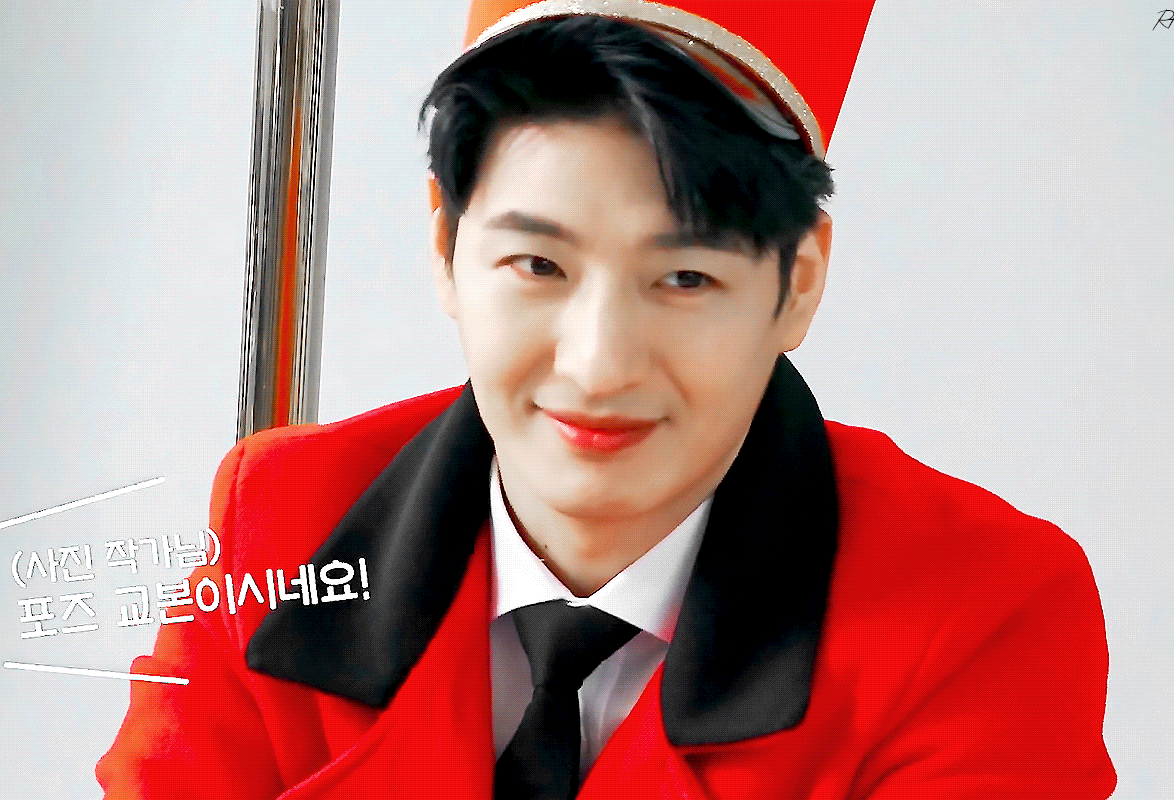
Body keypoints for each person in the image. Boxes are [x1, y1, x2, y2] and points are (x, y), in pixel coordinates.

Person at [97, 1, 1117, 798]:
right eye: (539, 265)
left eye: (684, 279)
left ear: (799, 279)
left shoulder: (980, 613)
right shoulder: (280, 523)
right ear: (446, 244)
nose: (597, 366)